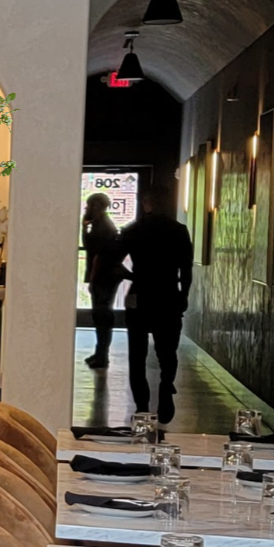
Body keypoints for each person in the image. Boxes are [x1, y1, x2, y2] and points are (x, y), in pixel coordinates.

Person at [114, 180, 193, 423]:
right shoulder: (178, 230)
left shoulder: (133, 230)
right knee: (167, 352)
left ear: (145, 202)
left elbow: (113, 263)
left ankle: (141, 408)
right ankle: (166, 387)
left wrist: (133, 276)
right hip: (168, 294)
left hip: (140, 295)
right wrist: (184, 295)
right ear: (167, 202)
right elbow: (186, 269)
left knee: (137, 356)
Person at [80, 190, 123, 371]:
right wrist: (84, 227)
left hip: (103, 277)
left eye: (89, 206)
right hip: (103, 276)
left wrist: (92, 279)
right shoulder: (101, 225)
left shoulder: (103, 227)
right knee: (100, 315)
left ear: (96, 207)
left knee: (102, 315)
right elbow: (89, 246)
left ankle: (102, 354)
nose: (86, 209)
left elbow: (98, 256)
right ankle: (100, 353)